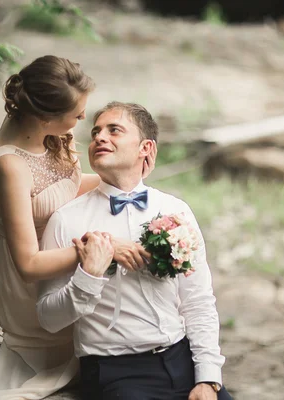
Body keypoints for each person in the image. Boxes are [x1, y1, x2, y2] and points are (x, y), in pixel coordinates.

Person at [0, 57, 156, 400]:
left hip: (61, 244)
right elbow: (28, 265)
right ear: (45, 116)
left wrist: (132, 177)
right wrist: (98, 250)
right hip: (33, 282)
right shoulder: (9, 167)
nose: (81, 121)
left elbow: (67, 185)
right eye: (76, 115)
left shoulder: (51, 132)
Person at [37, 102, 232, 400]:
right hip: (114, 373)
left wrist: (207, 378)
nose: (100, 137)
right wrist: (88, 275)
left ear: (145, 148)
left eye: (114, 130)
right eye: (96, 132)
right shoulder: (67, 220)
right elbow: (48, 318)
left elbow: (199, 301)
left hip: (182, 360)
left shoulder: (176, 211)